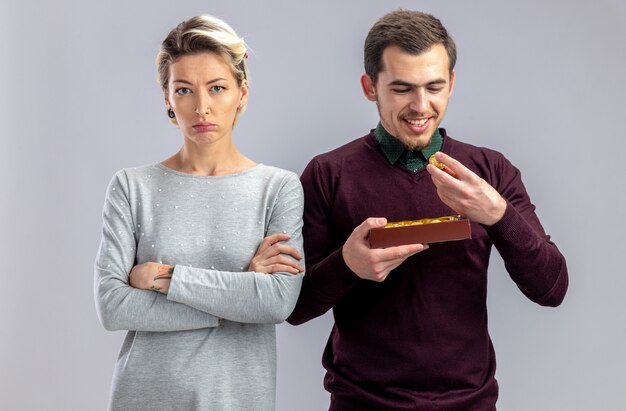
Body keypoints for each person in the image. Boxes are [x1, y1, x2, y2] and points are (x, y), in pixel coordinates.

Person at [287, 9, 568, 410]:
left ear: (451, 83)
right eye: (402, 89)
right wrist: (347, 265)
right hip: (360, 404)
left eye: (434, 87)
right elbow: (293, 308)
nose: (421, 106)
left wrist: (498, 215)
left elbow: (552, 288)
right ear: (370, 86)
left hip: (471, 404)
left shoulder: (491, 172)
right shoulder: (327, 174)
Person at [94, 15, 304, 411]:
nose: (202, 106)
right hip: (145, 397)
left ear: (242, 92)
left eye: (217, 88)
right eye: (185, 89)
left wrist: (164, 277)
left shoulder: (278, 188)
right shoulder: (131, 187)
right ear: (167, 97)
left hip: (238, 399)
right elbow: (113, 306)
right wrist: (239, 290)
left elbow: (276, 303)